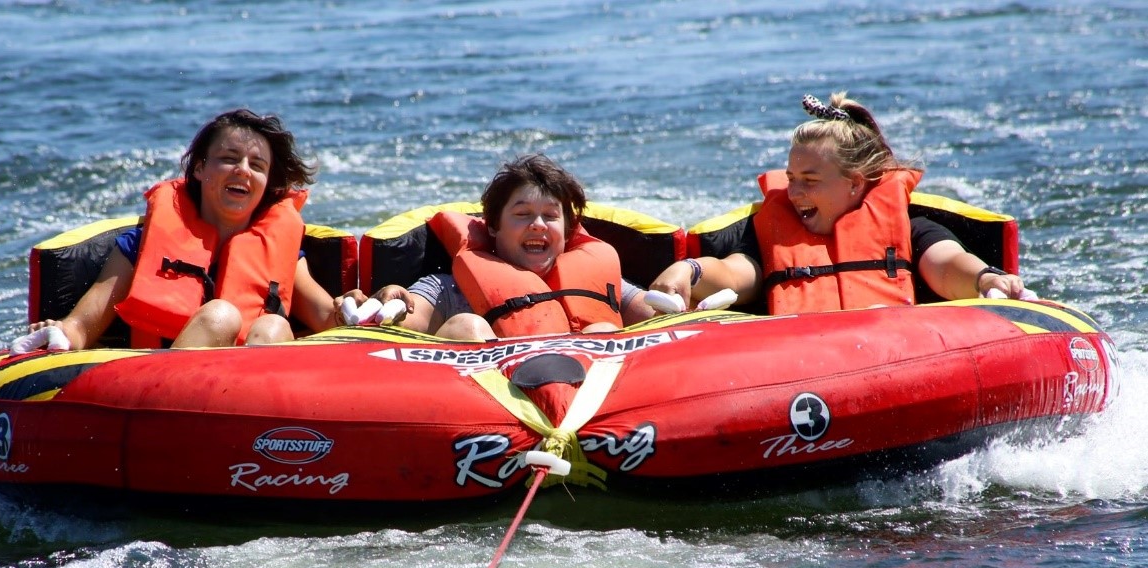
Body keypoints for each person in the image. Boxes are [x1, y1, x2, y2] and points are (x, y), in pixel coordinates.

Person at [642, 92, 1031, 317]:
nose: (794, 194)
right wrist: (688, 271)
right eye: (791, 180)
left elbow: (946, 265)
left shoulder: (909, 227)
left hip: (897, 352)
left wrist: (985, 278)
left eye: (810, 182)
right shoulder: (769, 233)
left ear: (854, 183)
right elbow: (732, 274)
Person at [18, 108, 343, 351]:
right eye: (230, 158)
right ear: (199, 168)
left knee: (272, 325)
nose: (243, 170)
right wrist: (59, 333)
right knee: (221, 315)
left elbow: (331, 319)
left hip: (253, 394)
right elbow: (82, 327)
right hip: (165, 391)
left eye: (257, 166)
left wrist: (373, 305)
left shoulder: (283, 253)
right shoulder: (140, 245)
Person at [369, 154, 625, 341]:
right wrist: (389, 304)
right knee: (466, 327)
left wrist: (667, 276)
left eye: (550, 215)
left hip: (583, 401)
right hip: (487, 404)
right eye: (523, 213)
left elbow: (657, 314)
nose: (538, 225)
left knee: (603, 333)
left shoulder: (601, 284)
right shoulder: (447, 289)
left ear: (567, 230)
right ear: (493, 226)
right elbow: (402, 323)